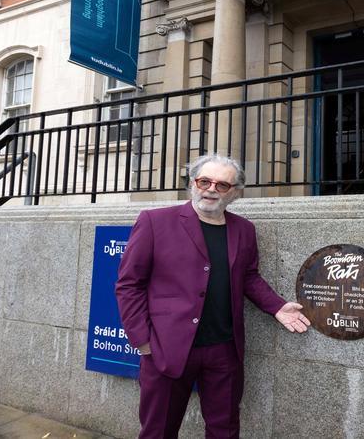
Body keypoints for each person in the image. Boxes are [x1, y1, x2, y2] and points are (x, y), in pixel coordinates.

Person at [116, 154, 310, 438]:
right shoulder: (155, 222)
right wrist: (143, 341)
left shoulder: (244, 230)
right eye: (204, 181)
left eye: (222, 185)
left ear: (234, 192)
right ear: (192, 183)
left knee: (225, 431)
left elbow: (248, 276)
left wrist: (277, 307)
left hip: (224, 351)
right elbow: (129, 284)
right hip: (167, 348)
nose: (211, 189)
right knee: (158, 431)